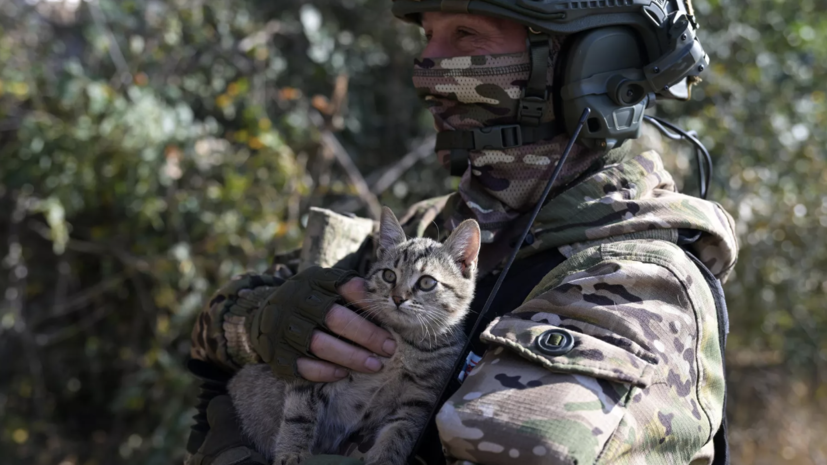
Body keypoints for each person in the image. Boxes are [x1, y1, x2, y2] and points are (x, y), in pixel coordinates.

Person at [185, 0, 738, 464]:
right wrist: (261, 324)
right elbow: (207, 329)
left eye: (466, 33)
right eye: (429, 34)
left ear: (592, 65)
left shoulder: (639, 284)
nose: (429, 60)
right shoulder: (425, 229)